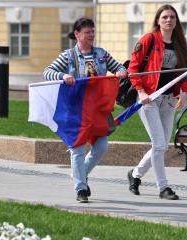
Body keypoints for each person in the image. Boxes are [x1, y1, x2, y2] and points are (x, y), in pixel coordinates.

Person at [43, 17, 126, 203]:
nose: (91, 35)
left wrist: (121, 71)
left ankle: (80, 174)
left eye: (93, 32)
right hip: (77, 111)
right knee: (78, 149)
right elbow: (47, 72)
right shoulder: (68, 56)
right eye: (87, 32)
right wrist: (63, 75)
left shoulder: (101, 54)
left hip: (98, 109)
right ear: (77, 34)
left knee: (102, 145)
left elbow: (119, 66)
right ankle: (81, 188)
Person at [127, 4, 187, 200]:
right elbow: (133, 68)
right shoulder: (148, 40)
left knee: (162, 146)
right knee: (158, 144)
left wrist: (184, 92)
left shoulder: (180, 44)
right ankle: (163, 188)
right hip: (149, 99)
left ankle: (135, 175)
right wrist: (140, 91)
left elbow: (186, 72)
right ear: (158, 20)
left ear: (176, 21)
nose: (168, 20)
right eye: (164, 17)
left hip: (169, 100)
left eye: (172, 17)